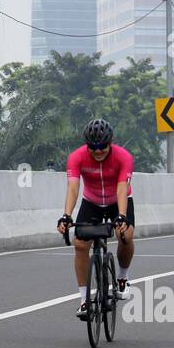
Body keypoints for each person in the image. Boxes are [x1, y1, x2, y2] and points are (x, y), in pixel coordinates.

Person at [56, 119, 136, 321]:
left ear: (111, 142)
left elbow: (121, 188)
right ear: (86, 145)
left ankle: (123, 278)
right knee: (80, 244)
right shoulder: (76, 157)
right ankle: (84, 300)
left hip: (118, 200)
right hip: (91, 202)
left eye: (102, 146)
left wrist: (121, 216)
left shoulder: (123, 157)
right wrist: (67, 215)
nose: (98, 151)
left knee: (124, 234)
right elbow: (73, 187)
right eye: (93, 147)